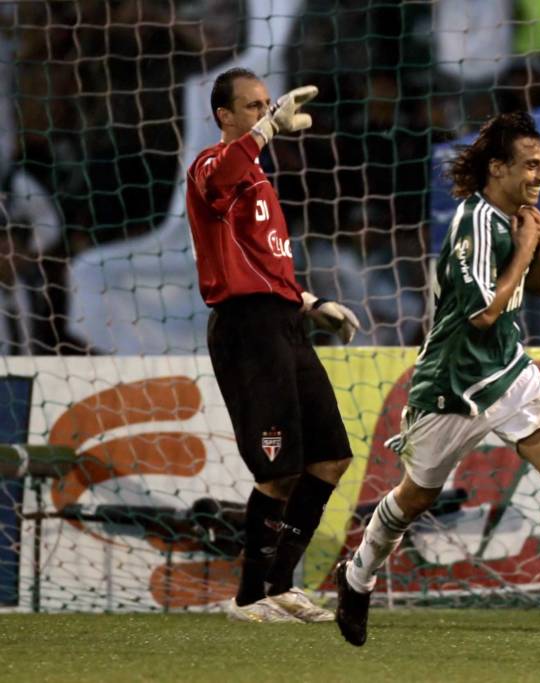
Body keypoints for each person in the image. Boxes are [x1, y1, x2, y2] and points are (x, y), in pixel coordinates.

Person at [335, 111, 540, 645]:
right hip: (454, 382)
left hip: (507, 368)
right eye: (530, 165)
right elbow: (482, 314)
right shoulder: (473, 223)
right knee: (415, 498)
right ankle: (356, 577)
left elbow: (536, 289)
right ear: (497, 168)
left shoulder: (517, 217)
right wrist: (526, 247)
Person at [186, 67, 361, 623]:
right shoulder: (211, 165)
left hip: (284, 322)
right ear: (224, 115)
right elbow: (222, 179)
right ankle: (248, 597)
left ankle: (281, 585)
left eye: (268, 105)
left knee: (330, 458)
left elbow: (262, 264)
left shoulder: (257, 179)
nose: (266, 113)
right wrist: (266, 132)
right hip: (247, 329)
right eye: (253, 106)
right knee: (278, 470)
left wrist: (310, 302)